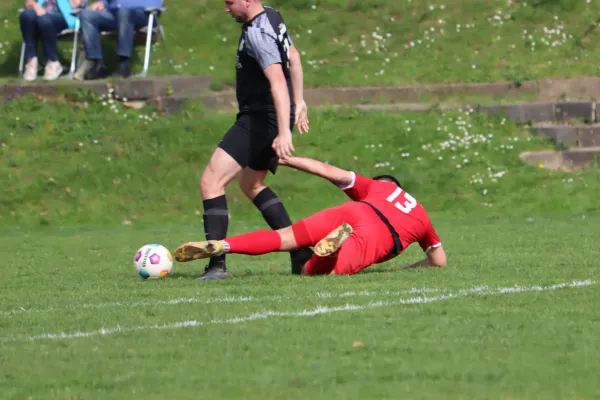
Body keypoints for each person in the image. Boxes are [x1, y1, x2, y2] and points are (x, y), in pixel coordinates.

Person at [193, 0, 311, 281]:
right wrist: (301, 101)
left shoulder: (257, 32)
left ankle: (217, 265)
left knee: (211, 182)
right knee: (251, 183)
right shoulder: (272, 14)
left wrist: (283, 131)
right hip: (271, 115)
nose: (226, 9)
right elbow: (293, 56)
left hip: (259, 118)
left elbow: (277, 82)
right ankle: (299, 252)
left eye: (230, 2)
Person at [174, 156, 448, 275]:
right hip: (375, 235)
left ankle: (224, 245)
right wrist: (401, 270)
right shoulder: (421, 216)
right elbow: (438, 261)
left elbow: (325, 170)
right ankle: (328, 252)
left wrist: (287, 159)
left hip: (353, 212)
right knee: (309, 272)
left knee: (282, 238)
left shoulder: (375, 188)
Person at [75, 0, 163, 80]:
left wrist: (123, 5)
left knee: (124, 12)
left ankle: (124, 64)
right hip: (116, 13)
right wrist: (103, 3)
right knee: (87, 15)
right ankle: (95, 63)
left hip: (144, 13)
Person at [19, 0, 86, 81]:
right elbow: (29, 3)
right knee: (26, 15)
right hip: (39, 13)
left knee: (43, 19)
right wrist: (36, 6)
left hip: (65, 16)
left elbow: (77, 4)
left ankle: (53, 62)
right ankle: (31, 61)